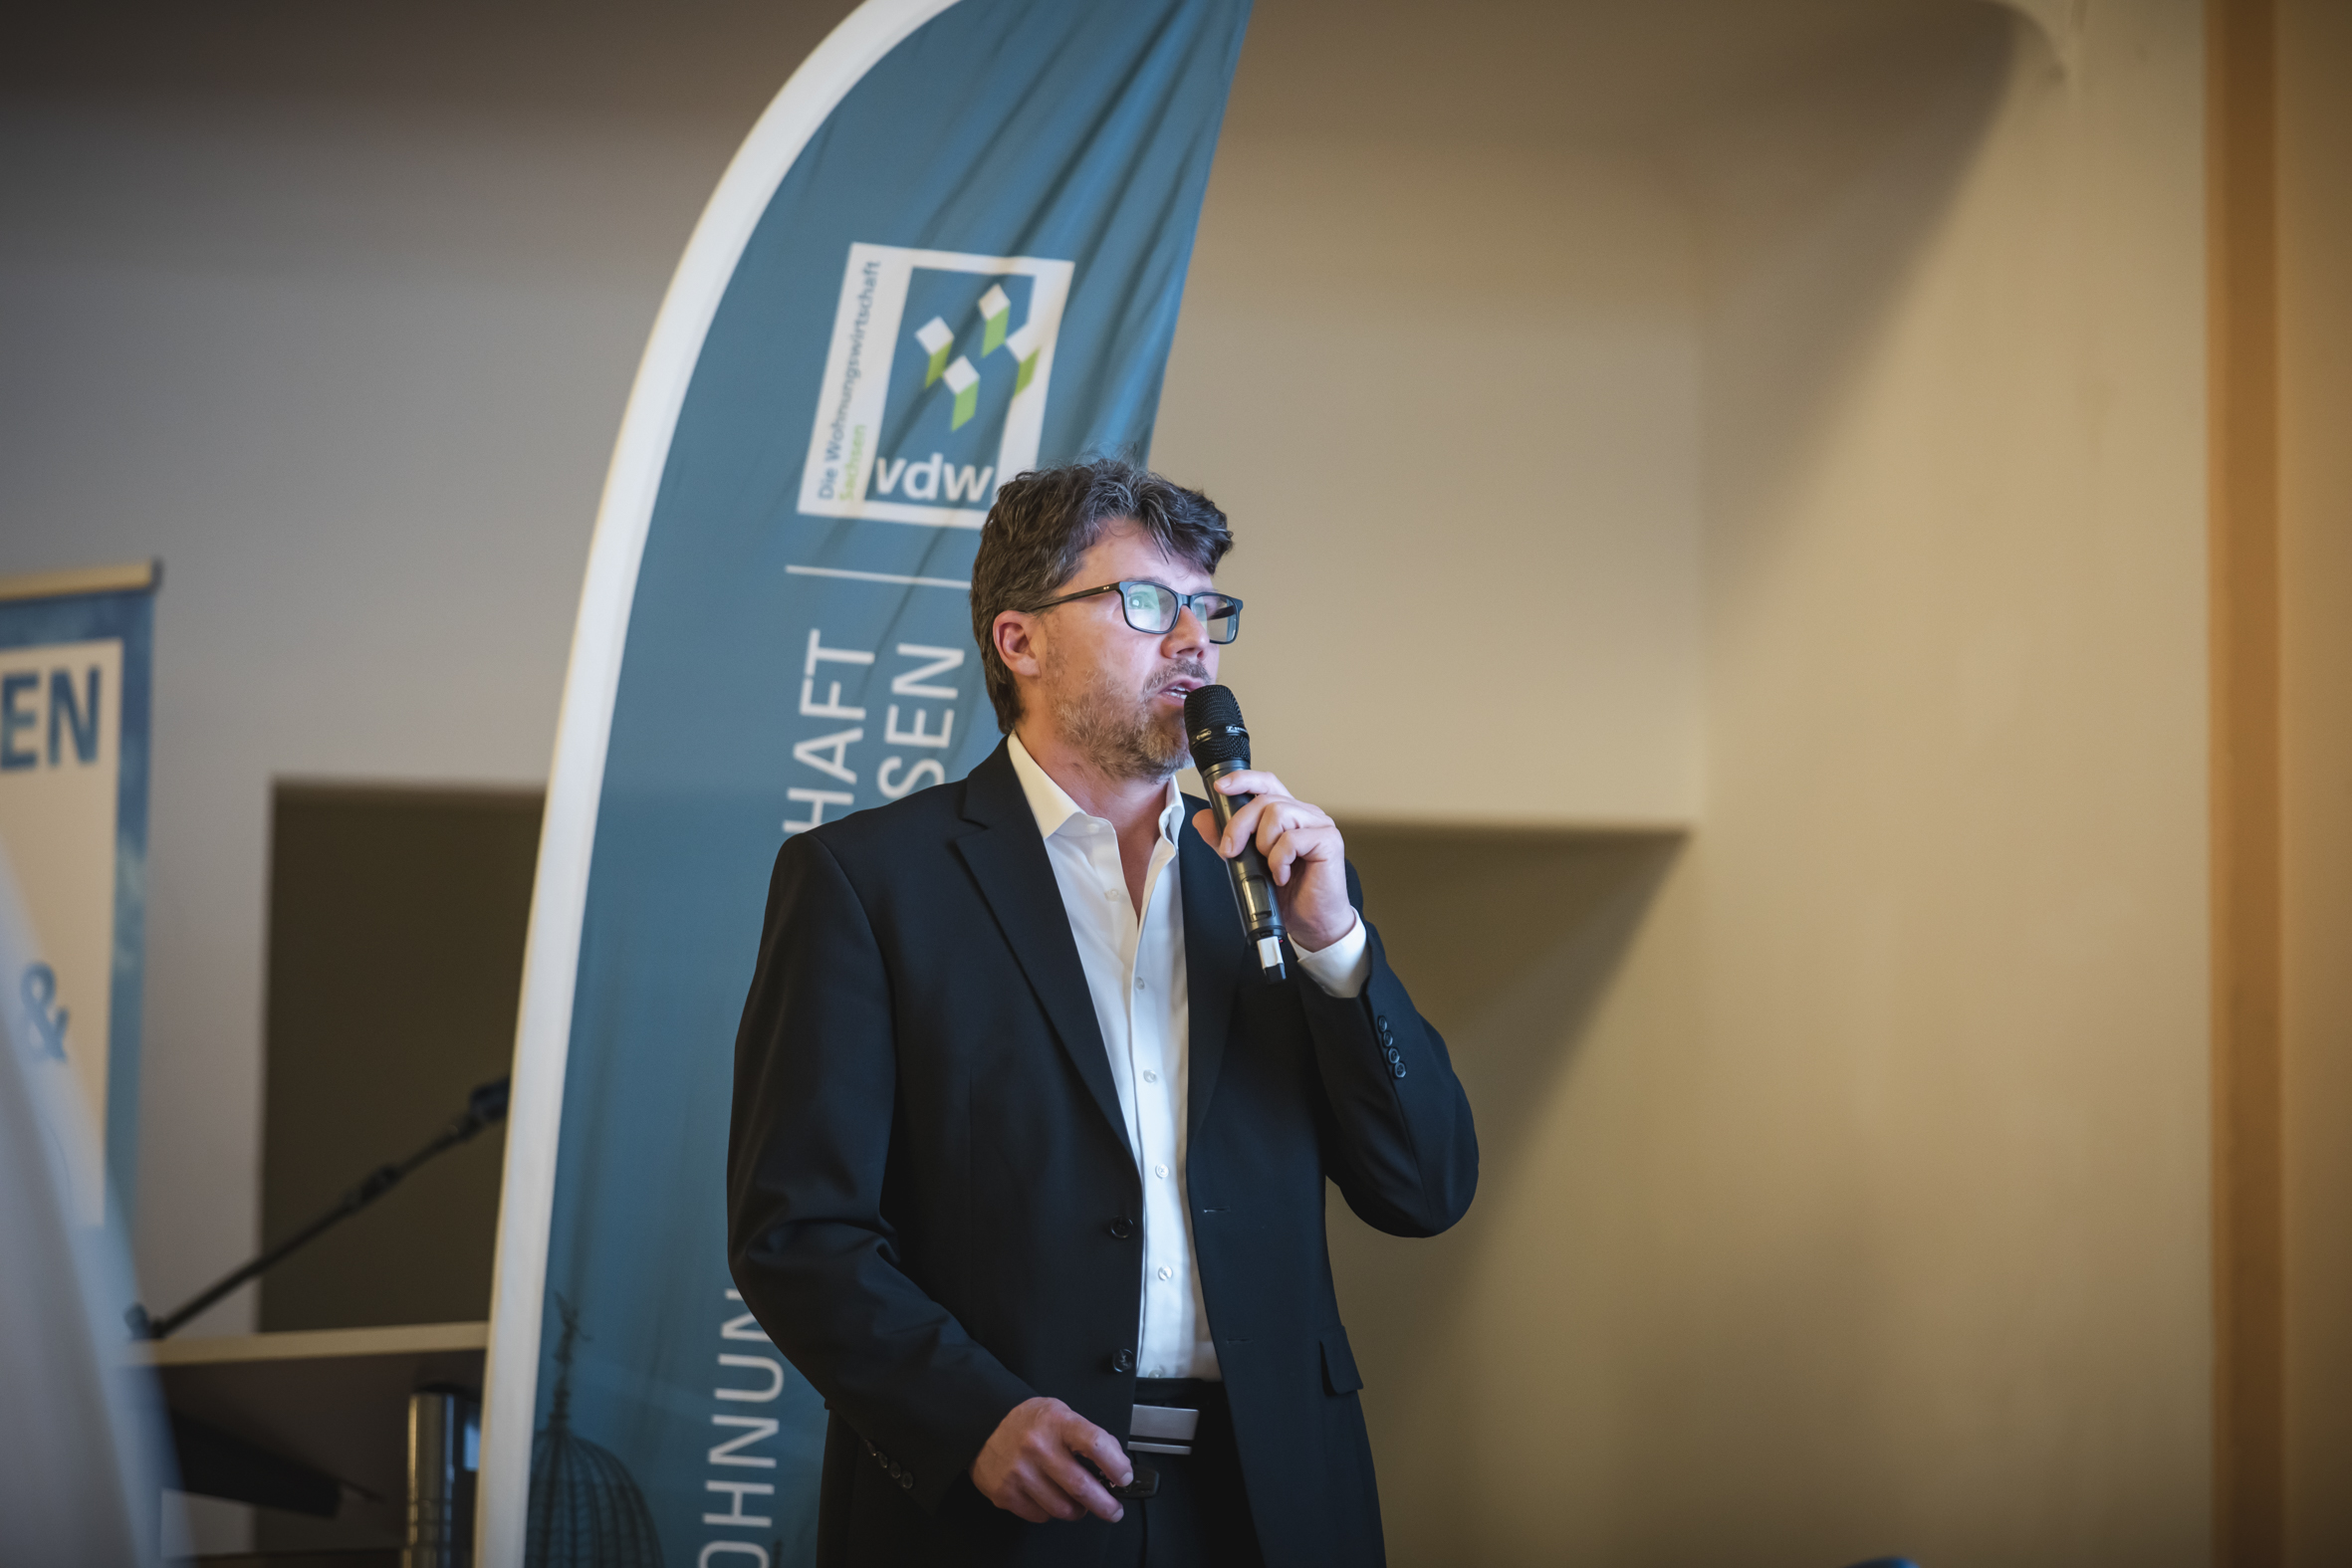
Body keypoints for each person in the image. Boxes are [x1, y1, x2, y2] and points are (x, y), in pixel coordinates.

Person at [727, 458, 1478, 1567]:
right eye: (1147, 603)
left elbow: (1424, 1191)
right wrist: (969, 1415)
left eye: (1209, 609)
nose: (1195, 643)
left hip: (1275, 1506)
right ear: (1019, 641)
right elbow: (800, 1232)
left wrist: (1335, 946)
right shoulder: (870, 883)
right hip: (1005, 1508)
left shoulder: (1280, 883)